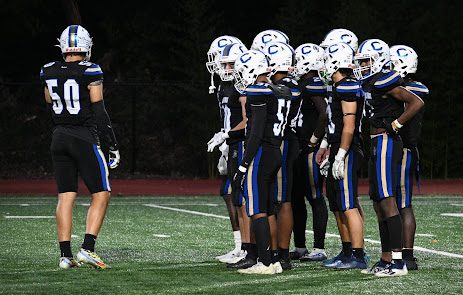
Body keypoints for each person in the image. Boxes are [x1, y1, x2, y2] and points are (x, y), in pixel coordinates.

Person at [40, 25, 120, 269]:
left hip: (59, 137)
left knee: (65, 196)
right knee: (102, 192)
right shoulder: (91, 70)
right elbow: (99, 110)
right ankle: (87, 248)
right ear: (86, 46)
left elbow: (48, 102)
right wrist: (112, 143)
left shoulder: (48, 70)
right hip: (83, 137)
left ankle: (65, 256)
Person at [354, 39, 424, 277]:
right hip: (376, 142)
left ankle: (398, 262)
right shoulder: (371, 82)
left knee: (388, 200)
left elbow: (416, 102)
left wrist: (396, 123)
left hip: (386, 141)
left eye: (365, 61)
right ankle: (386, 259)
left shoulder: (385, 80)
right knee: (378, 201)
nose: (361, 65)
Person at [231, 49, 291, 274]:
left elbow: (254, 133)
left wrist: (243, 164)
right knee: (267, 208)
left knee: (257, 209)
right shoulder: (282, 90)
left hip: (261, 153)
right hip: (276, 150)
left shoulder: (257, 91)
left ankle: (265, 263)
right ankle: (273, 260)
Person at [318, 42, 367, 269]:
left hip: (347, 148)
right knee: (337, 204)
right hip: (337, 146)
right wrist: (327, 145)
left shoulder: (348, 86)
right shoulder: (337, 87)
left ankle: (358, 255)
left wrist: (341, 154)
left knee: (348, 204)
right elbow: (334, 123)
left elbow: (348, 126)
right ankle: (347, 251)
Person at [208, 42, 255, 266]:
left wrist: (226, 135)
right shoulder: (224, 87)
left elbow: (247, 121)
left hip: (241, 143)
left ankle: (247, 248)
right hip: (232, 144)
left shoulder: (242, 87)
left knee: (239, 195)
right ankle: (241, 246)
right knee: (232, 194)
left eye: (228, 64)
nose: (223, 68)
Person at [390, 45, 429, 270]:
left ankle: (408, 255)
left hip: (404, 149)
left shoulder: (413, 90)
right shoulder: (406, 87)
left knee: (403, 204)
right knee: (395, 202)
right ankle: (399, 252)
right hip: (400, 149)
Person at [263, 41, 300, 270]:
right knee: (278, 198)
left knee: (281, 199)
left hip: (283, 142)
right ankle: (278, 250)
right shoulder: (284, 84)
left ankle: (281, 253)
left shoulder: (286, 86)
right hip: (284, 142)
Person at [290, 43, 329, 262]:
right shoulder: (305, 82)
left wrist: (315, 140)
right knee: (296, 198)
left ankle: (319, 247)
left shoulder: (314, 83)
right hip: (300, 148)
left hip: (309, 149)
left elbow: (324, 114)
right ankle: (301, 246)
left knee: (314, 197)